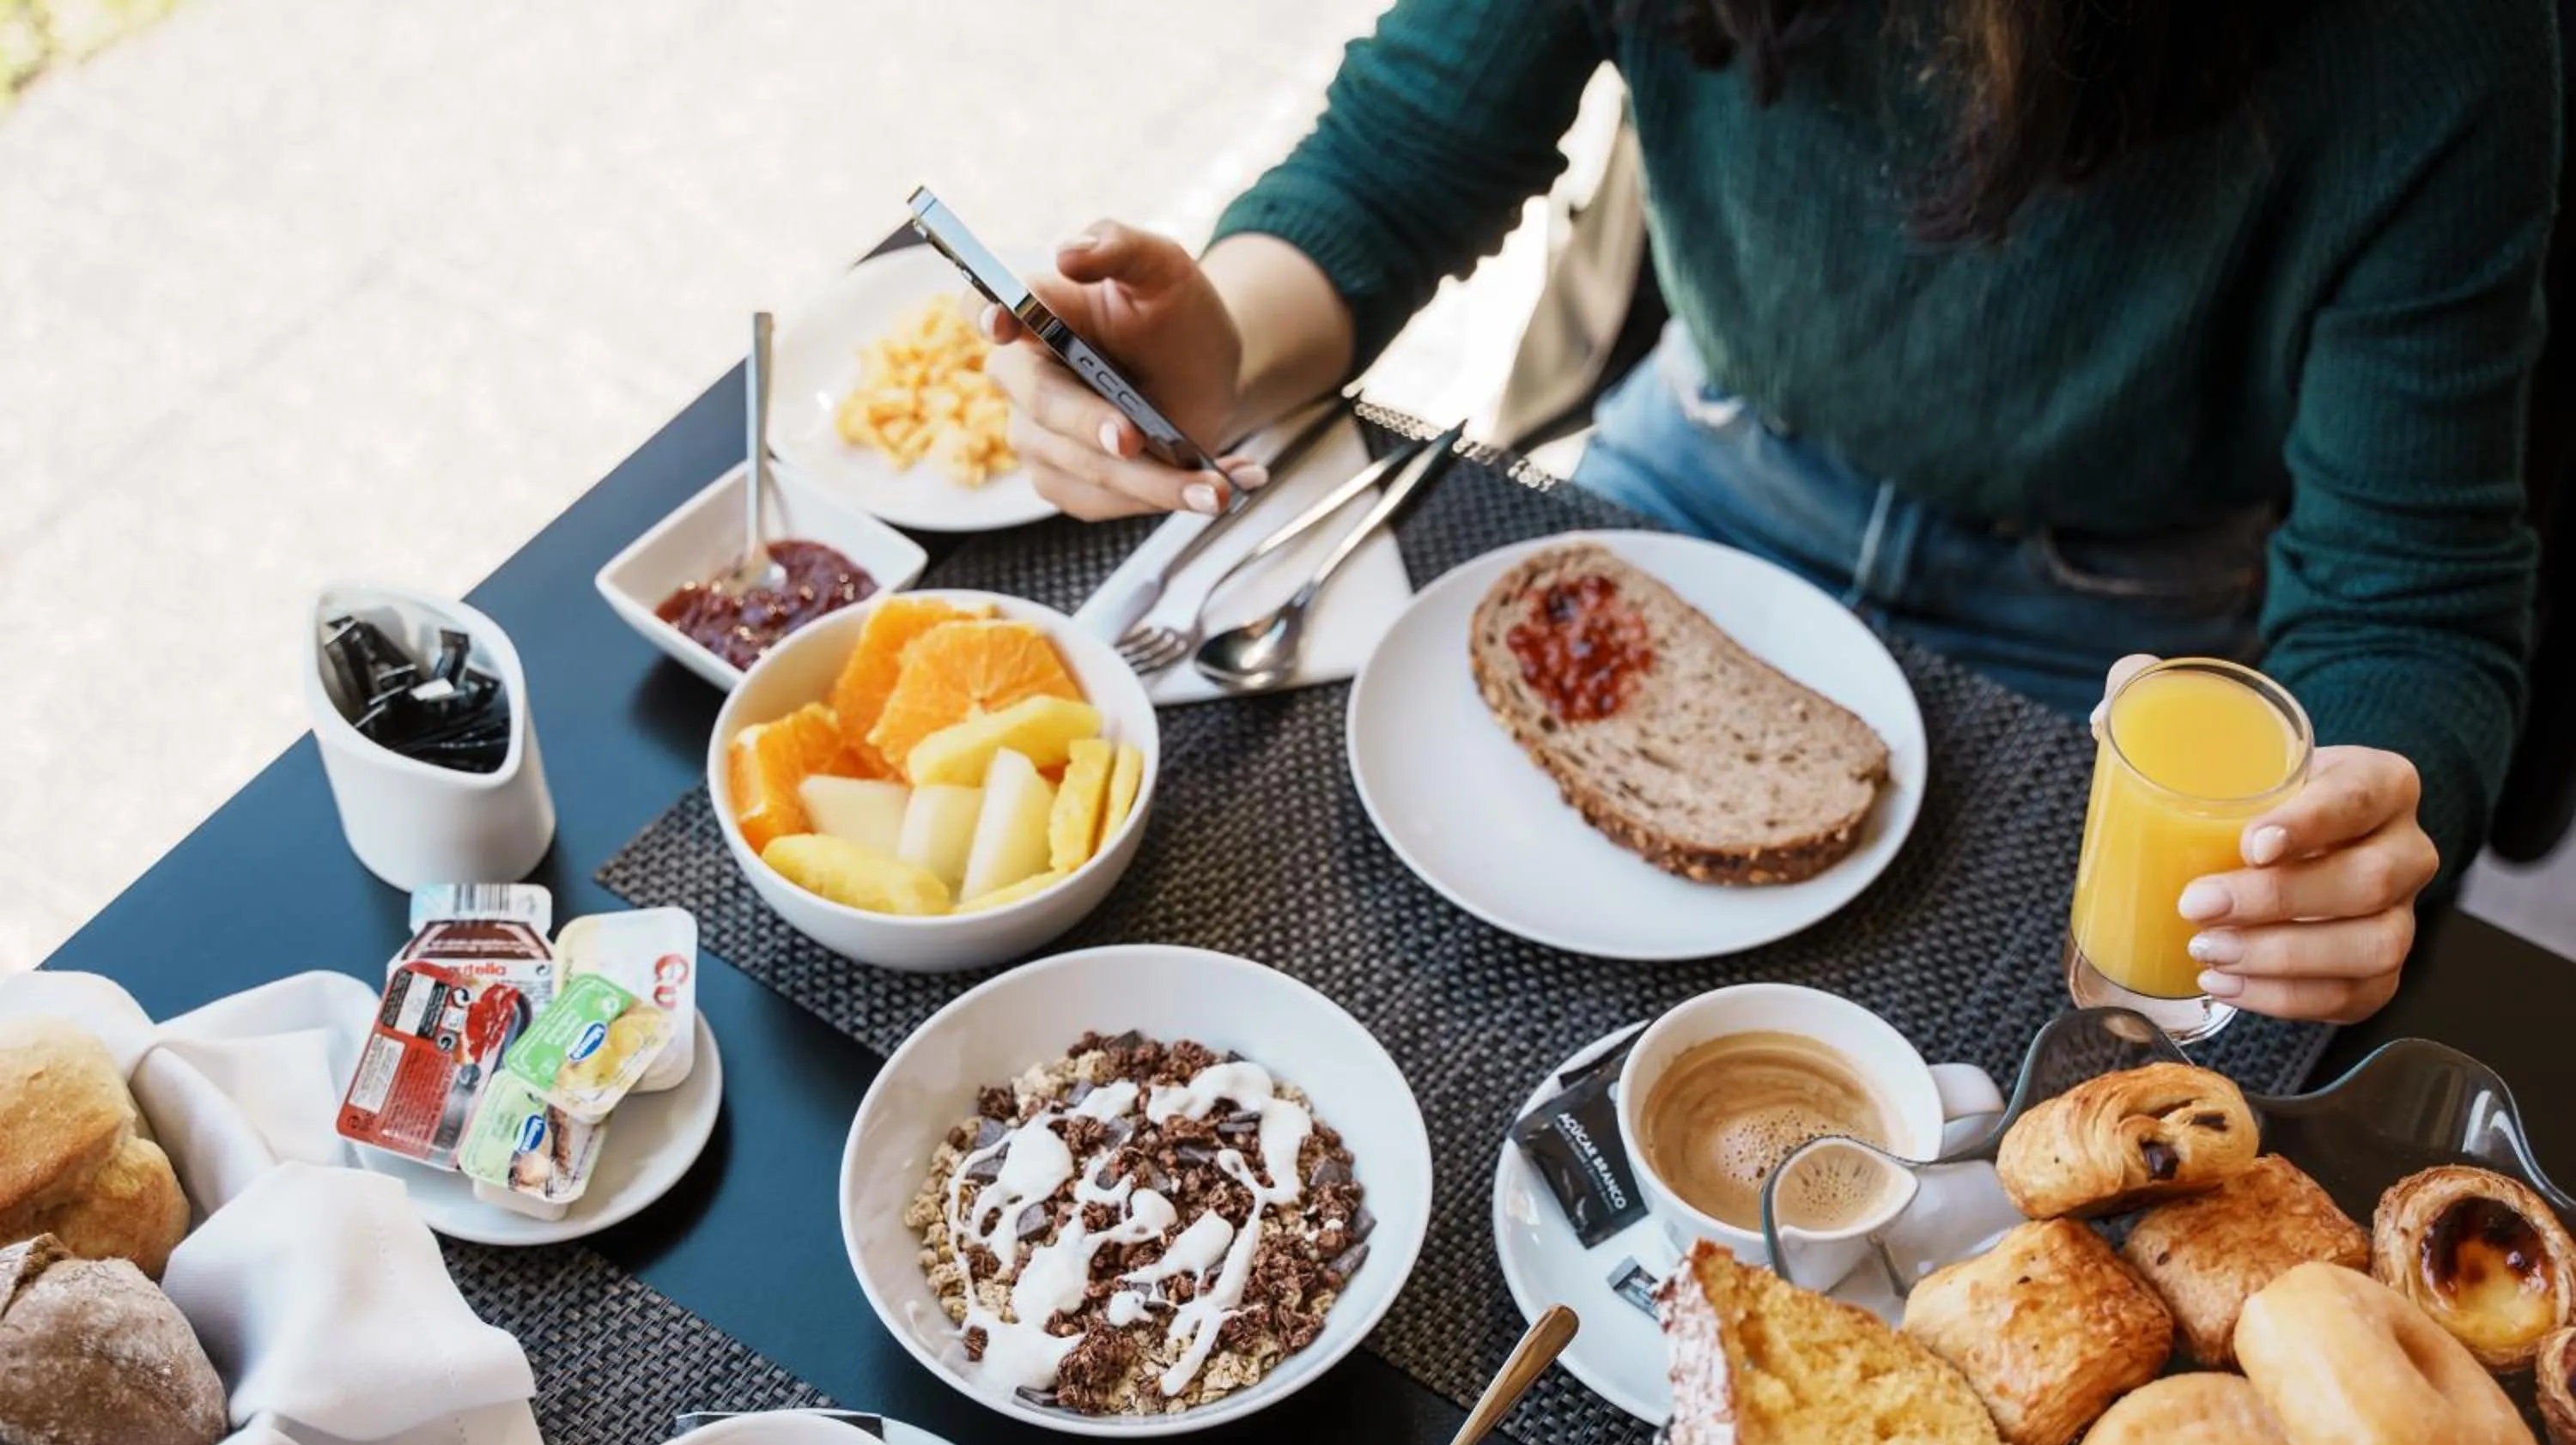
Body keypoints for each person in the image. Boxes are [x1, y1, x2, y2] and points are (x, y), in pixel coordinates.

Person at [982, 0, 2561, 1027]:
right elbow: (1401, 161)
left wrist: (2360, 818)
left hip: (2126, 623)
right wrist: (1214, 349)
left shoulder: (2431, 49)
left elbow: (2410, 599)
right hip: (1708, 462)